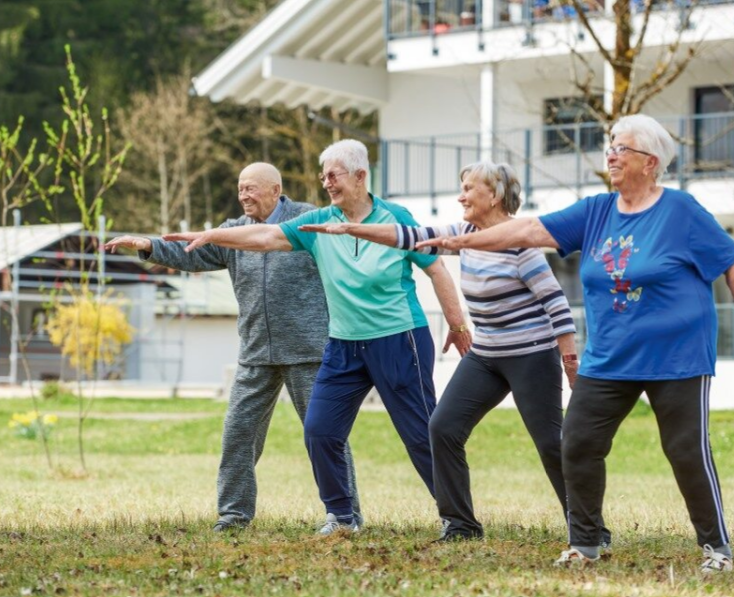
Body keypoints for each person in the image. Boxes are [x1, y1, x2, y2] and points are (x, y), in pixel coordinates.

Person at [414, 115, 734, 572]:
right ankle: (586, 543)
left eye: (622, 148)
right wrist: (457, 242)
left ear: (650, 163)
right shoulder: (596, 211)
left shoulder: (681, 212)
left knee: (685, 449)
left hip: (676, 356)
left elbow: (731, 262)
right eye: (610, 146)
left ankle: (716, 548)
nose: (611, 154)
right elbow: (527, 230)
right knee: (576, 442)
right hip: (609, 356)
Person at [163, 140, 471, 534]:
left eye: (333, 175)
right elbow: (263, 238)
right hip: (344, 343)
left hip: (398, 338)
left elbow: (436, 269)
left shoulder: (396, 218)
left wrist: (458, 324)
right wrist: (211, 236)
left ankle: (459, 519)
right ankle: (342, 516)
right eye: (322, 175)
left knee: (418, 433)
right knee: (320, 430)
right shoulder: (319, 224)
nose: (325, 182)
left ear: (360, 176)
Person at [299, 161, 608, 544]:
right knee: (442, 427)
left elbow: (557, 306)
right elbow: (410, 235)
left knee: (550, 442)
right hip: (487, 355)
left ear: (493, 196)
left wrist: (569, 361)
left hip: (531, 355)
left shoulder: (520, 244)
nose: (460, 196)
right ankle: (461, 524)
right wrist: (350, 228)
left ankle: (590, 528)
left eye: (468, 188)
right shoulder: (463, 233)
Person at [104, 162, 363, 532]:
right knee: (238, 433)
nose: (244, 195)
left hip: (308, 349)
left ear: (276, 190)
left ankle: (345, 515)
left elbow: (349, 244)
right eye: (241, 188)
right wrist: (149, 245)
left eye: (252, 188)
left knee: (325, 436)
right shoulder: (232, 232)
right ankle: (234, 514)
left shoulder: (307, 220)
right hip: (256, 351)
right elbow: (192, 253)